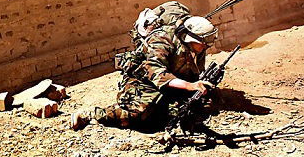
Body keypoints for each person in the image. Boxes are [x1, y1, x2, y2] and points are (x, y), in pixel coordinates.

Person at [71, 8, 218, 131]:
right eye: (204, 42)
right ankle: (90, 115)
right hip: (143, 81)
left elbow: (194, 73)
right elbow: (156, 72)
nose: (207, 46)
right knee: (141, 112)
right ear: (189, 38)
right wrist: (189, 86)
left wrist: (199, 85)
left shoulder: (196, 47)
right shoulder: (162, 39)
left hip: (170, 82)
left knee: (196, 107)